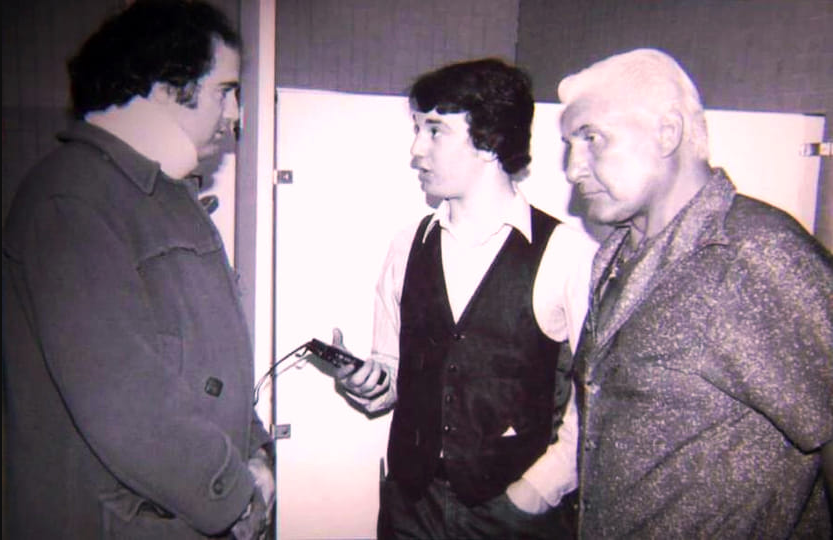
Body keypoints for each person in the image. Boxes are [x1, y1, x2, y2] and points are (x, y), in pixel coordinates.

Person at [2, 1, 274, 538]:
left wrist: (256, 452)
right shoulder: (72, 198)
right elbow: (127, 406)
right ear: (167, 84)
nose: (237, 114)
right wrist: (236, 494)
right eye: (225, 90)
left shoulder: (154, 195)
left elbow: (211, 364)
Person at [557, 47, 833, 538]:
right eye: (570, 146)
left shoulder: (752, 256)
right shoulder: (615, 256)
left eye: (591, 139)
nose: (574, 168)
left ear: (668, 132)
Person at [332, 58, 598, 538]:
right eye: (417, 129)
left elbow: (593, 401)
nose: (416, 150)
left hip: (512, 516)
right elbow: (391, 372)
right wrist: (369, 382)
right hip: (409, 509)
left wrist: (535, 493)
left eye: (434, 131)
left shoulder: (567, 253)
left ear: (490, 140)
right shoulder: (405, 244)